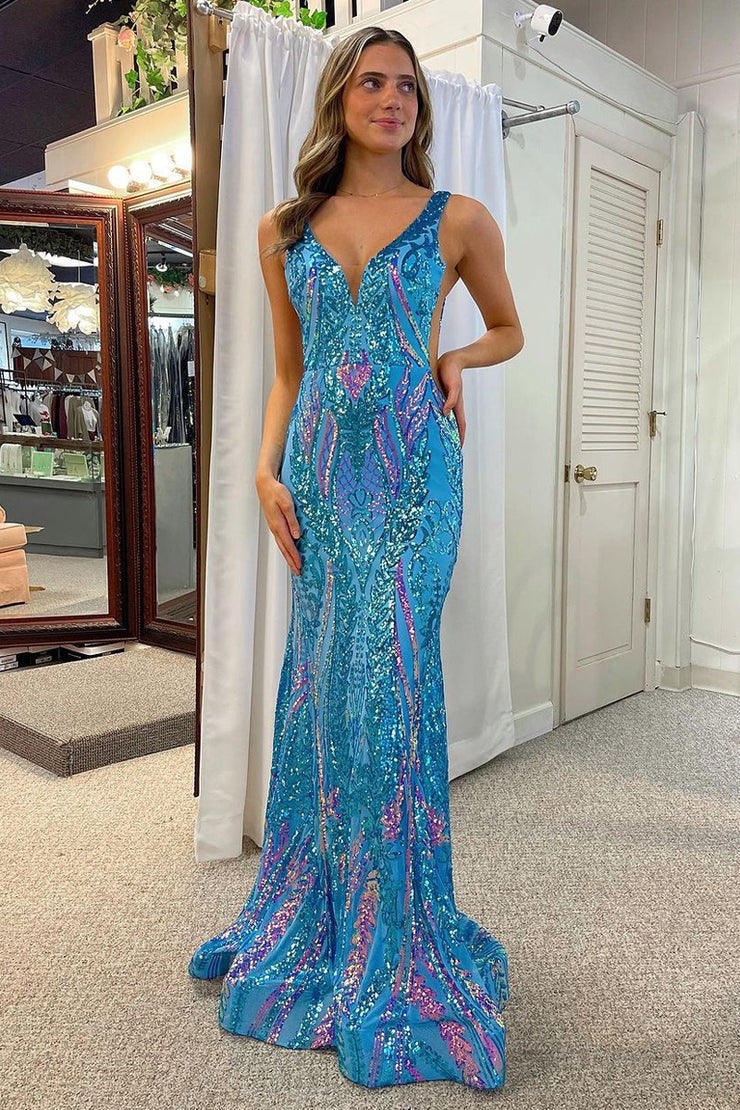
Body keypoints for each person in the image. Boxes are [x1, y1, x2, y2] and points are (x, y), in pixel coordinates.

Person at [188, 23, 524, 1090]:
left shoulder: (456, 218)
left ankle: (401, 935)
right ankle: (332, 910)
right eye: (372, 82)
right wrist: (262, 471)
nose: (392, 99)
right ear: (338, 96)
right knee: (327, 689)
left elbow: (508, 327)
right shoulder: (281, 228)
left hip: (417, 478)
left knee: (389, 686)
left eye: (406, 86)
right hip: (323, 485)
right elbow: (289, 370)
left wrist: (458, 358)